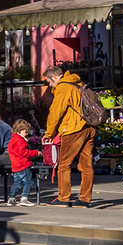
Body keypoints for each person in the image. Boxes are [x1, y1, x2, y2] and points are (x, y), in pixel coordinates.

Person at [44, 65, 97, 208]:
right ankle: (85, 199)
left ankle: (63, 197)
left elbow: (55, 112)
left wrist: (49, 133)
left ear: (54, 77)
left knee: (64, 165)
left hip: (73, 128)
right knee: (86, 165)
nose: (49, 85)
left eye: (49, 81)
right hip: (89, 126)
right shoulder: (77, 83)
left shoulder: (63, 87)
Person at [7, 118, 42, 207]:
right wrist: (36, 152)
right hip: (23, 165)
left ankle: (11, 198)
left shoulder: (12, 139)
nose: (27, 134)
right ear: (19, 130)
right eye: (25, 132)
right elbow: (25, 153)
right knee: (28, 182)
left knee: (17, 183)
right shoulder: (20, 140)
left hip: (15, 166)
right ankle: (24, 198)